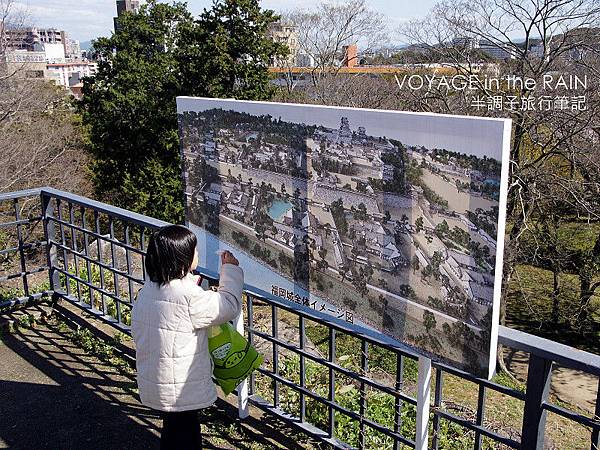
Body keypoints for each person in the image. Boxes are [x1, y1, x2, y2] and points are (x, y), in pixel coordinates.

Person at [131, 224, 243, 450]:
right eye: (195, 251)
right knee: (186, 435)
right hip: (182, 387)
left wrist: (190, 282)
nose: (198, 254)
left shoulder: (149, 289)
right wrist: (230, 271)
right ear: (183, 260)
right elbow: (228, 306)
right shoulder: (190, 298)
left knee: (173, 430)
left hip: (157, 378)